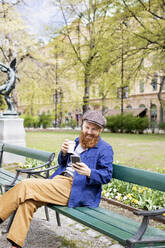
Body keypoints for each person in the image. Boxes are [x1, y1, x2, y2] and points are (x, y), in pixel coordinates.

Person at [0, 110, 113, 248]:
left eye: (94, 129)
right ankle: (15, 245)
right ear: (82, 125)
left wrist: (89, 172)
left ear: (100, 130)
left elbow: (107, 175)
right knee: (28, 202)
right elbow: (63, 163)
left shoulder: (105, 149)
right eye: (86, 127)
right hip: (58, 182)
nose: (89, 132)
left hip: (76, 189)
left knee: (25, 185)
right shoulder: (77, 141)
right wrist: (64, 152)